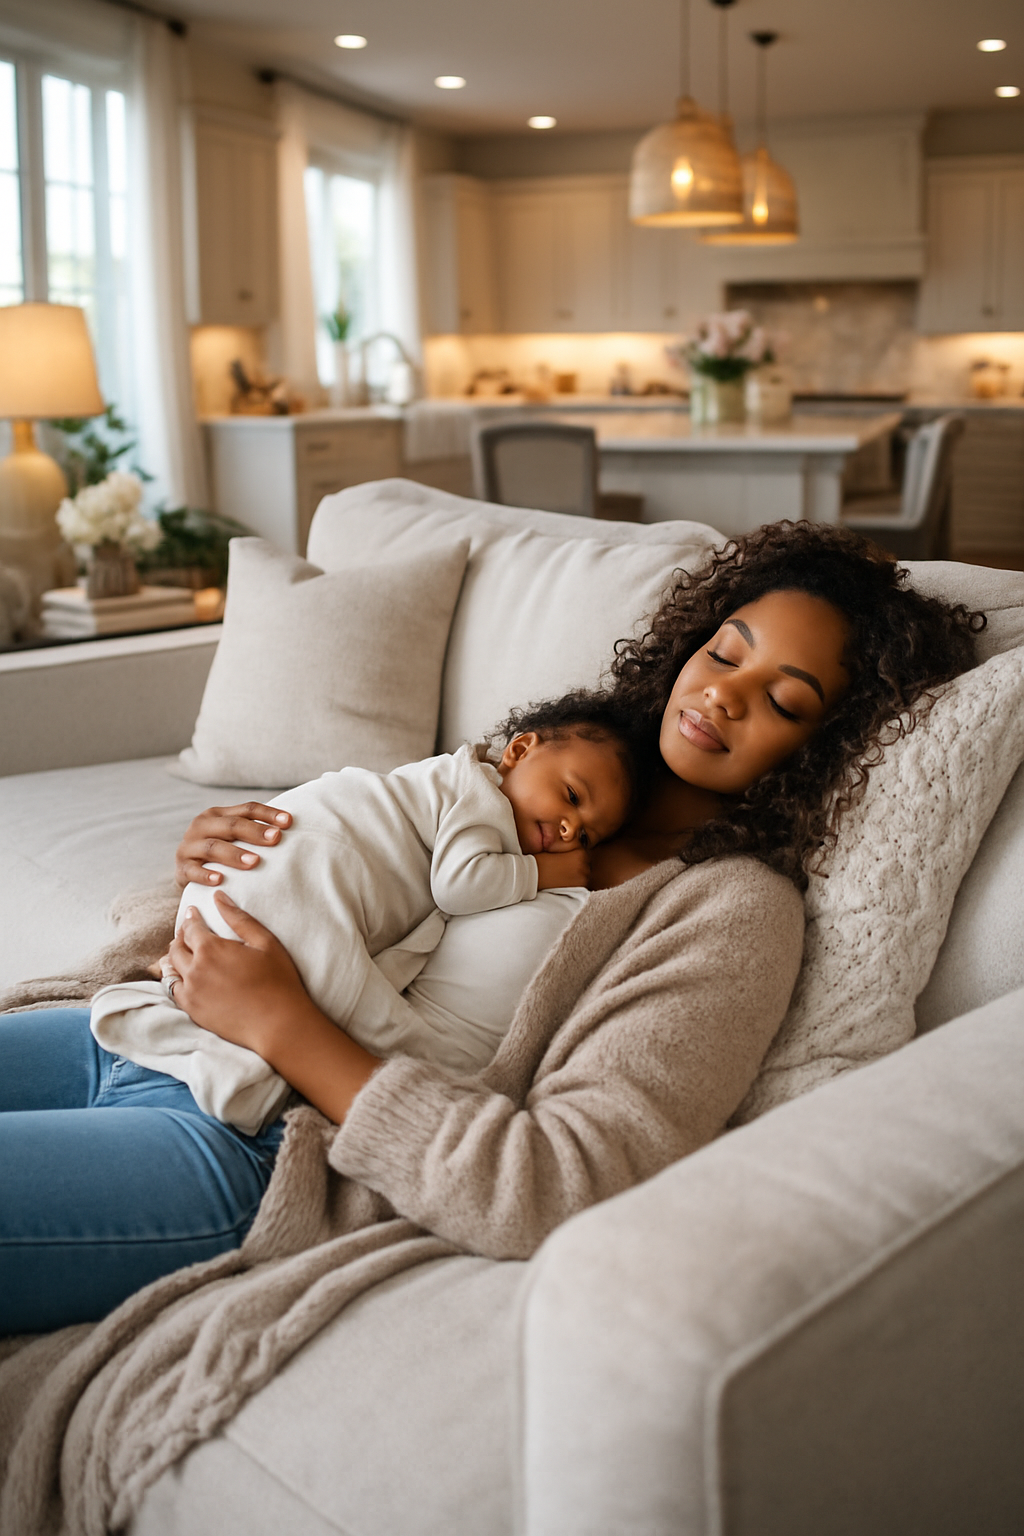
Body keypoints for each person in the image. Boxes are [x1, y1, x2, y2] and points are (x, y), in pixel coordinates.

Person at [0, 523, 983, 1335]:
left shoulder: (730, 916)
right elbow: (365, 866)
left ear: (823, 752)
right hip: (147, 1021)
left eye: (782, 700)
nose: (724, 692)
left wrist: (284, 1025)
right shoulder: (559, 760)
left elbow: (560, 1183)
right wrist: (222, 866)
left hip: (252, 1142)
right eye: (727, 650)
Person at [88, 703, 637, 1135]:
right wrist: (543, 874)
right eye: (571, 797)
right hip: (297, 882)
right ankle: (240, 1076)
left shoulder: (460, 795)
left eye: (586, 834)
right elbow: (458, 887)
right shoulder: (479, 799)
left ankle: (188, 1025)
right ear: (518, 750)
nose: (569, 830)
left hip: (264, 914)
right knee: (363, 1011)